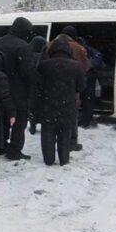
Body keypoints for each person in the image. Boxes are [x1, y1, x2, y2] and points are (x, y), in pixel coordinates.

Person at [0, 17, 39, 160]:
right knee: (19, 121)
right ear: (25, 31)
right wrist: (36, 82)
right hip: (18, 91)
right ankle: (15, 150)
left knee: (2, 118)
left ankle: (1, 145)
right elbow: (27, 72)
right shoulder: (23, 46)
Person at [37, 37, 86, 166]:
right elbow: (81, 86)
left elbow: (38, 84)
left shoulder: (44, 65)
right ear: (68, 51)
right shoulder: (76, 66)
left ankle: (48, 158)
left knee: (48, 131)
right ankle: (64, 158)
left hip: (48, 104)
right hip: (67, 104)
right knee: (65, 132)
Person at [45, 27, 90, 151]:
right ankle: (71, 142)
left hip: (50, 88)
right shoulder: (78, 47)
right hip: (71, 88)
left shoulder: (49, 45)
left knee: (51, 116)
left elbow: (41, 65)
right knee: (71, 115)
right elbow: (85, 66)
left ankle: (51, 141)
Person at [28, 34, 48, 134]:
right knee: (42, 106)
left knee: (32, 106)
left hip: (31, 85)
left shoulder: (28, 56)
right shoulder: (45, 57)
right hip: (43, 85)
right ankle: (43, 124)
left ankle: (32, 125)